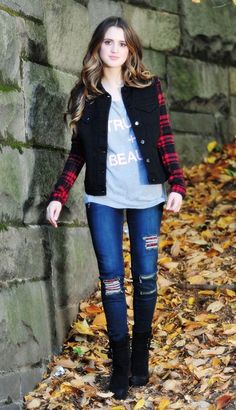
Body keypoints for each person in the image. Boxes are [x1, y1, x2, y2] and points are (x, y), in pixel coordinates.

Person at [46, 16, 186, 400]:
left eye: (122, 43)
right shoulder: (83, 95)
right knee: (111, 279)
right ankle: (121, 366)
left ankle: (141, 357)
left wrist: (177, 183)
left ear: (130, 50)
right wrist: (59, 195)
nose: (114, 49)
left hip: (145, 198)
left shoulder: (148, 88)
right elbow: (79, 153)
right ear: (97, 47)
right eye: (108, 42)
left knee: (144, 277)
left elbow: (165, 139)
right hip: (102, 199)